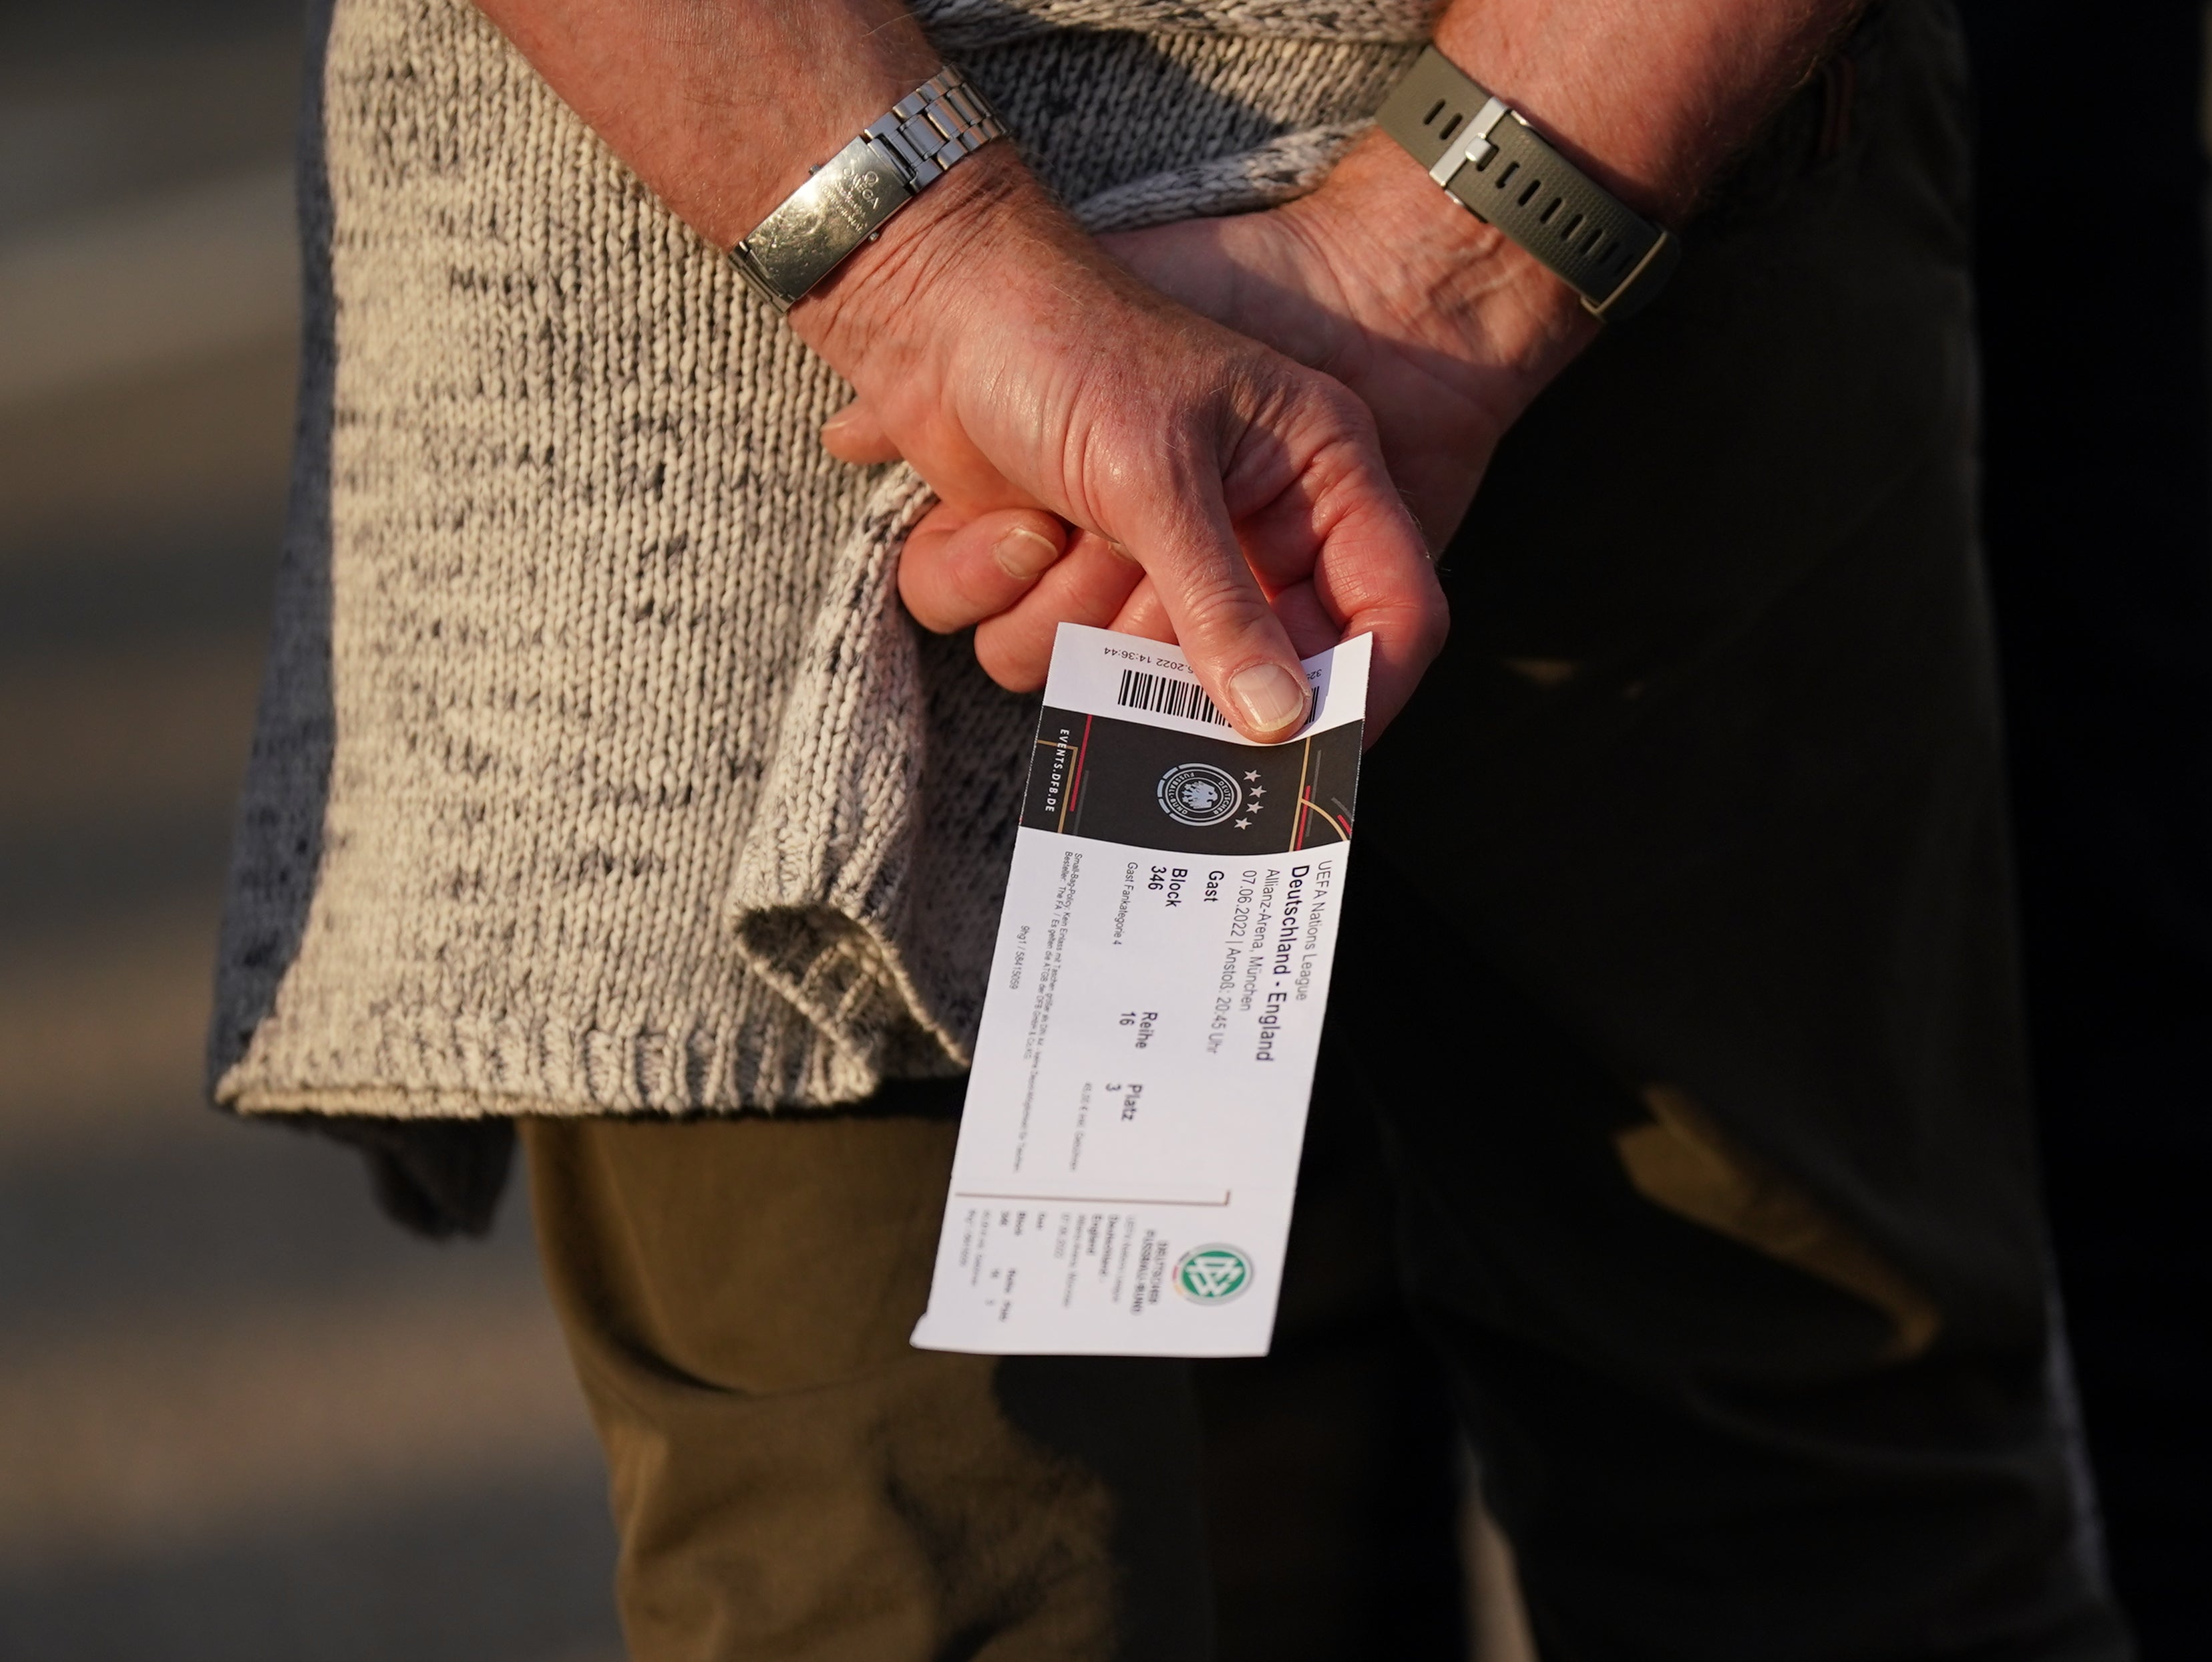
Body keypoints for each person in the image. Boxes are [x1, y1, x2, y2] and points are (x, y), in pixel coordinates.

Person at [206, 0, 2133, 1655]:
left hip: (730, 273)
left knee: (919, 1580)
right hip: (760, 371)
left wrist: (944, 263)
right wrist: (1457, 239)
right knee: (1803, 1489)